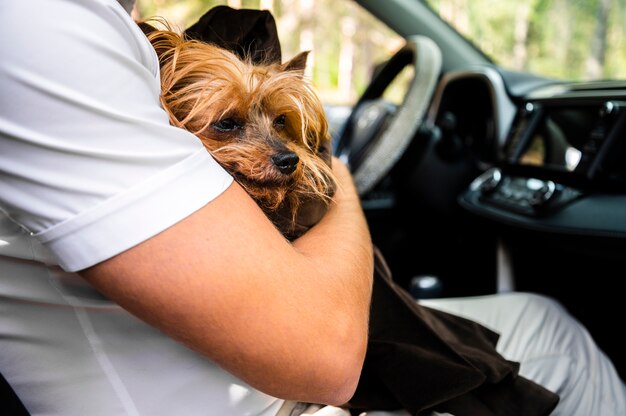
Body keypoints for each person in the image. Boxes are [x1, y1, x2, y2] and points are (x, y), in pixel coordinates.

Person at [0, 1, 624, 415]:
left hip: (241, 374)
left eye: (279, 125)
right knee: (554, 333)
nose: (284, 154)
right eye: (230, 126)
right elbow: (327, 357)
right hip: (272, 398)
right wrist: (339, 176)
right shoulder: (50, 29)